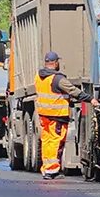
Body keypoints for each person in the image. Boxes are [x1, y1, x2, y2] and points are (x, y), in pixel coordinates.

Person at [35, 51, 82, 181]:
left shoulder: (39, 77)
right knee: (56, 142)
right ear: (55, 63)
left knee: (47, 142)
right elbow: (72, 90)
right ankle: (52, 170)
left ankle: (47, 168)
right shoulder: (57, 79)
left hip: (44, 115)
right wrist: (89, 98)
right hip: (57, 115)